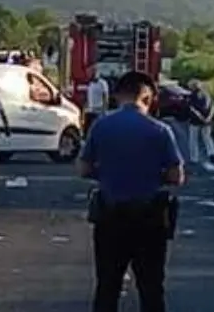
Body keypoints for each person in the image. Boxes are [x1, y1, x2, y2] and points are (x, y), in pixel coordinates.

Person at [77, 71, 185, 312]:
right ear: (147, 98)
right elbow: (177, 176)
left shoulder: (101, 126)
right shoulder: (160, 130)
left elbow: (83, 168)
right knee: (151, 289)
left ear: (117, 96)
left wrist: (106, 173)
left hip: (110, 216)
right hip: (149, 219)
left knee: (107, 286)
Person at [185, 79, 214, 164]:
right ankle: (212, 154)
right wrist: (209, 118)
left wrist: (201, 118)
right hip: (208, 121)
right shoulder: (207, 95)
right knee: (207, 138)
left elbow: (192, 109)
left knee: (193, 140)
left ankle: (194, 158)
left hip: (195, 121)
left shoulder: (192, 96)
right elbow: (212, 107)